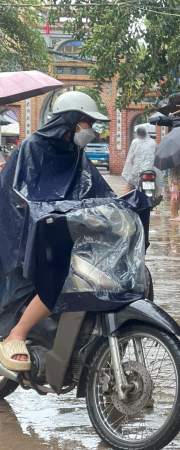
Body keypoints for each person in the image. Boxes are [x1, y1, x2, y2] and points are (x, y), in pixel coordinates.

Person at [0, 91, 111, 371]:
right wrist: (36, 218)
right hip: (28, 236)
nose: (92, 131)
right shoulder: (30, 148)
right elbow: (13, 198)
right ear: (72, 122)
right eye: (88, 123)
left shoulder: (76, 154)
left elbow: (98, 190)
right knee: (61, 278)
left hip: (63, 233)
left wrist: (128, 204)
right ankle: (17, 333)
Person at [121, 126, 158, 194]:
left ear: (137, 134)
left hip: (137, 171)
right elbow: (157, 156)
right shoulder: (153, 143)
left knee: (129, 186)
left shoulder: (135, 142)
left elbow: (130, 157)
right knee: (156, 184)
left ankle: (124, 202)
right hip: (150, 170)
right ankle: (156, 195)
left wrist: (130, 163)